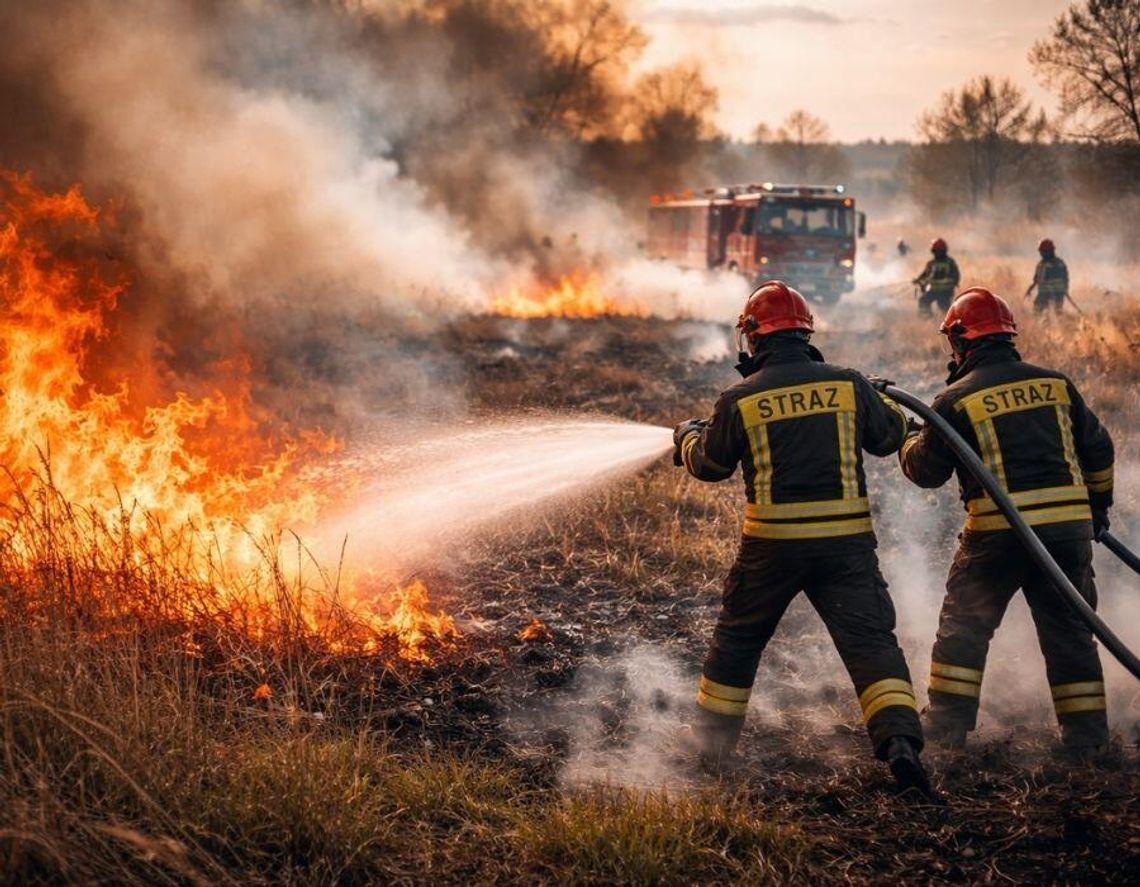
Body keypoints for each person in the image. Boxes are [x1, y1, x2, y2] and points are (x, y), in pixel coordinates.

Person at [673, 280, 931, 795]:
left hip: (772, 550)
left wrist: (688, 437)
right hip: (847, 546)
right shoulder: (847, 383)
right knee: (870, 644)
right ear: (806, 332)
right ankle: (900, 743)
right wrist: (877, 400)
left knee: (739, 641)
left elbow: (709, 465)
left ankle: (711, 749)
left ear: (752, 338)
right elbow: (889, 439)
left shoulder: (740, 398)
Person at [898, 287, 1114, 755]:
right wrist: (1096, 511)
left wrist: (908, 440)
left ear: (960, 341)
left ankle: (947, 729)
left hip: (998, 535)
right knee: (1071, 633)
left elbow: (927, 473)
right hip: (1067, 534)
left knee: (965, 630)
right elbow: (1099, 449)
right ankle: (1088, 741)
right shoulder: (1056, 384)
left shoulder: (956, 399)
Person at [913, 238, 960, 315]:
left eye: (938, 251)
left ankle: (931, 319)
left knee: (941, 307)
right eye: (936, 251)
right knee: (924, 301)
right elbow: (925, 274)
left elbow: (956, 277)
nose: (937, 253)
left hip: (943, 292)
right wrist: (918, 280)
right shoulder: (933, 263)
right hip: (937, 291)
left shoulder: (947, 262)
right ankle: (927, 318)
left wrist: (951, 285)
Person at [1025, 238, 1069, 315]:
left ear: (1048, 251)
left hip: (1044, 293)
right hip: (1059, 293)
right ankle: (1059, 326)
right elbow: (1066, 278)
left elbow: (1036, 280)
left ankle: (1041, 325)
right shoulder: (1060, 263)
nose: (1041, 254)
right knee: (1058, 313)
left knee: (1037, 311)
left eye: (1042, 252)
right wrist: (1064, 290)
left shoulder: (1042, 265)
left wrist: (1030, 289)